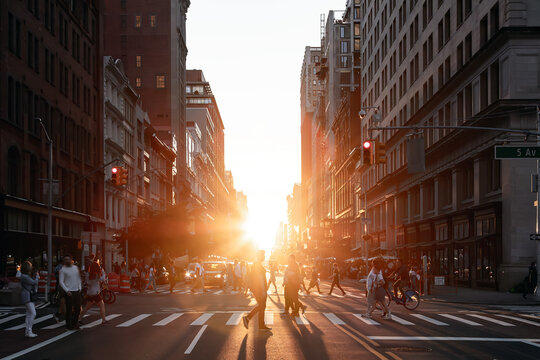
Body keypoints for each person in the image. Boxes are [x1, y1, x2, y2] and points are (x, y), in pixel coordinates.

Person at [242, 250, 271, 331]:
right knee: (262, 305)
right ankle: (248, 318)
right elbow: (259, 279)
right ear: (260, 256)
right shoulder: (257, 265)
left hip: (258, 289)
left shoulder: (257, 264)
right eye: (263, 255)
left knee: (262, 306)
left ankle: (261, 325)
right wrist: (263, 290)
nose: (264, 257)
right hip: (259, 289)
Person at [79, 257, 107, 325]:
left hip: (90, 292)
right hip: (96, 293)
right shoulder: (97, 275)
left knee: (87, 307)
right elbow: (103, 279)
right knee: (101, 305)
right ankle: (104, 320)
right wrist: (102, 271)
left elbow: (87, 282)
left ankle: (79, 319)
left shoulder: (88, 274)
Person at [59, 255, 82, 330]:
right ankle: (69, 325)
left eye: (69, 259)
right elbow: (61, 281)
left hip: (77, 291)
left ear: (71, 260)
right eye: (66, 259)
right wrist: (66, 290)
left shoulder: (75, 268)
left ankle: (75, 323)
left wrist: (79, 287)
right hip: (69, 292)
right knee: (69, 309)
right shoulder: (63, 270)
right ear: (64, 261)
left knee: (78, 308)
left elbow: (78, 278)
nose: (67, 261)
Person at [20, 261, 39, 338]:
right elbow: (33, 282)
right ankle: (29, 331)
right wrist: (37, 277)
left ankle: (27, 331)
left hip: (28, 296)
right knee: (33, 313)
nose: (31, 267)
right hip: (27, 296)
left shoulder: (25, 276)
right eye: (30, 265)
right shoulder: (24, 276)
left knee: (28, 314)